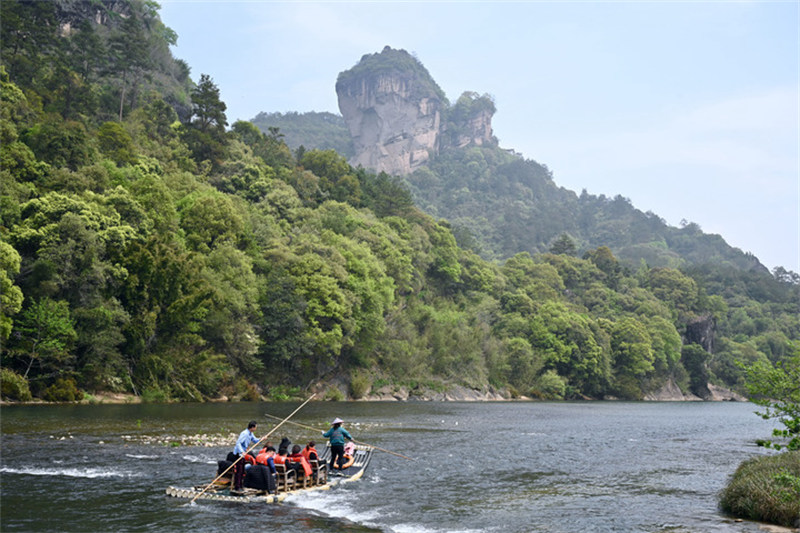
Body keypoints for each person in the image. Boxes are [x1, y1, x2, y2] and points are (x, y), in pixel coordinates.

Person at [232, 420, 259, 491]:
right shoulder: (244, 433)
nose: (256, 429)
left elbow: (255, 440)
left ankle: (241, 485)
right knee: (239, 470)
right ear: (252, 427)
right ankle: (237, 487)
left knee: (242, 470)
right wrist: (241, 451)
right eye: (255, 427)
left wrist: (261, 439)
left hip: (243, 454)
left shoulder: (250, 433)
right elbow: (238, 443)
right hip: (239, 454)